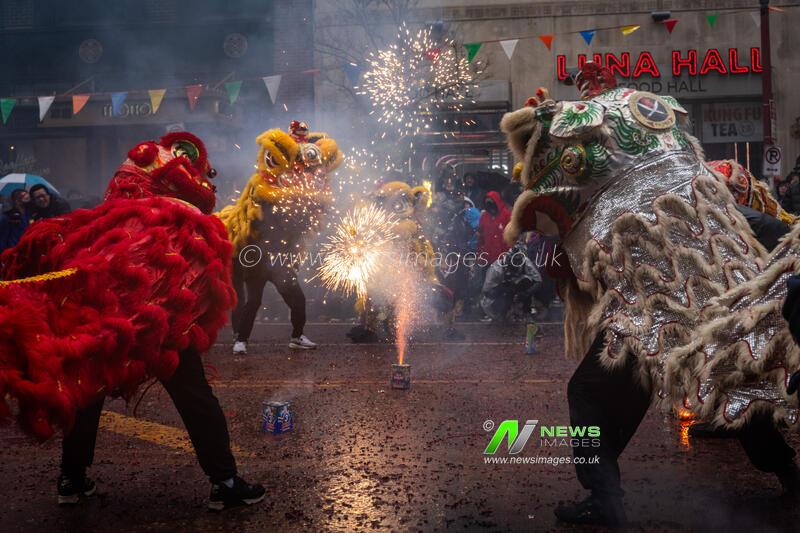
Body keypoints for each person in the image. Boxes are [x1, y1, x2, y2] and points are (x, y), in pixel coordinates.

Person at [0, 132, 264, 510]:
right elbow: (202, 284)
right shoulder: (183, 218)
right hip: (164, 328)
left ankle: (71, 479)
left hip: (111, 327)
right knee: (194, 397)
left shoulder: (103, 222)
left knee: (88, 388)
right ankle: (224, 482)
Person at [0, 188, 32, 253]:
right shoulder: (8, 216)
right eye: (21, 196)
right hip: (12, 251)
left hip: (27, 250)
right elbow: (2, 237)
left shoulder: (30, 213)